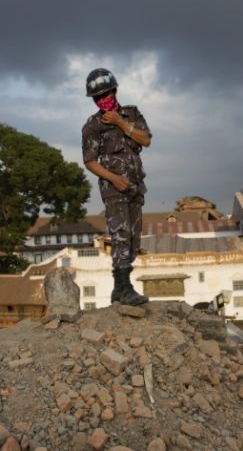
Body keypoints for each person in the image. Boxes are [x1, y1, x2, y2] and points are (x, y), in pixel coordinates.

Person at [81, 68, 151, 306]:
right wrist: (113, 178)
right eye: (98, 98)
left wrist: (121, 123)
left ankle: (120, 288)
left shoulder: (131, 114)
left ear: (114, 91)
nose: (103, 100)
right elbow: (89, 161)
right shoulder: (92, 126)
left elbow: (146, 140)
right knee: (120, 235)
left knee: (133, 237)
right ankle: (124, 287)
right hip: (114, 189)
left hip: (136, 186)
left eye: (106, 94)